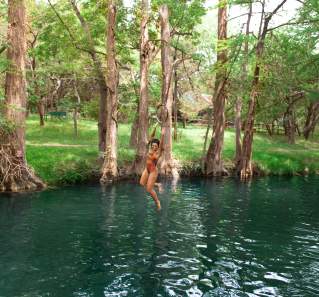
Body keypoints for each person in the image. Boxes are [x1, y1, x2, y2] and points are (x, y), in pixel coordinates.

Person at [140, 125, 163, 210]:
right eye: (152, 145)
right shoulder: (149, 148)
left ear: (158, 147)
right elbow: (151, 137)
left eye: (155, 146)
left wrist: (163, 134)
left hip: (153, 171)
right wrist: (154, 128)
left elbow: (162, 144)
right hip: (147, 169)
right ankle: (157, 184)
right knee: (142, 183)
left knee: (149, 189)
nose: (154, 147)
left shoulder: (158, 153)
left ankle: (157, 202)